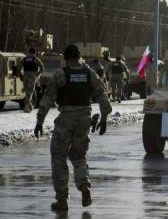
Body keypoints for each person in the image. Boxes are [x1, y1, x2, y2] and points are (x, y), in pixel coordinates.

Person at [34, 44, 112, 211]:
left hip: (66, 119)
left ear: (66, 58)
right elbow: (102, 94)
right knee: (78, 156)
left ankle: (62, 199)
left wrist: (39, 121)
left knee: (58, 156)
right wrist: (104, 117)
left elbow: (47, 98)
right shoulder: (89, 74)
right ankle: (85, 186)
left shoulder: (61, 75)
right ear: (78, 57)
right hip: (84, 119)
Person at [18, 48, 44, 113]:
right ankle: (26, 107)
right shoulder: (35, 59)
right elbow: (42, 67)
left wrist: (21, 76)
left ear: (28, 52)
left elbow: (18, 68)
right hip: (32, 76)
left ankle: (30, 105)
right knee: (30, 92)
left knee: (27, 92)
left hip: (25, 76)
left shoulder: (24, 59)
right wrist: (38, 73)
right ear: (34, 53)